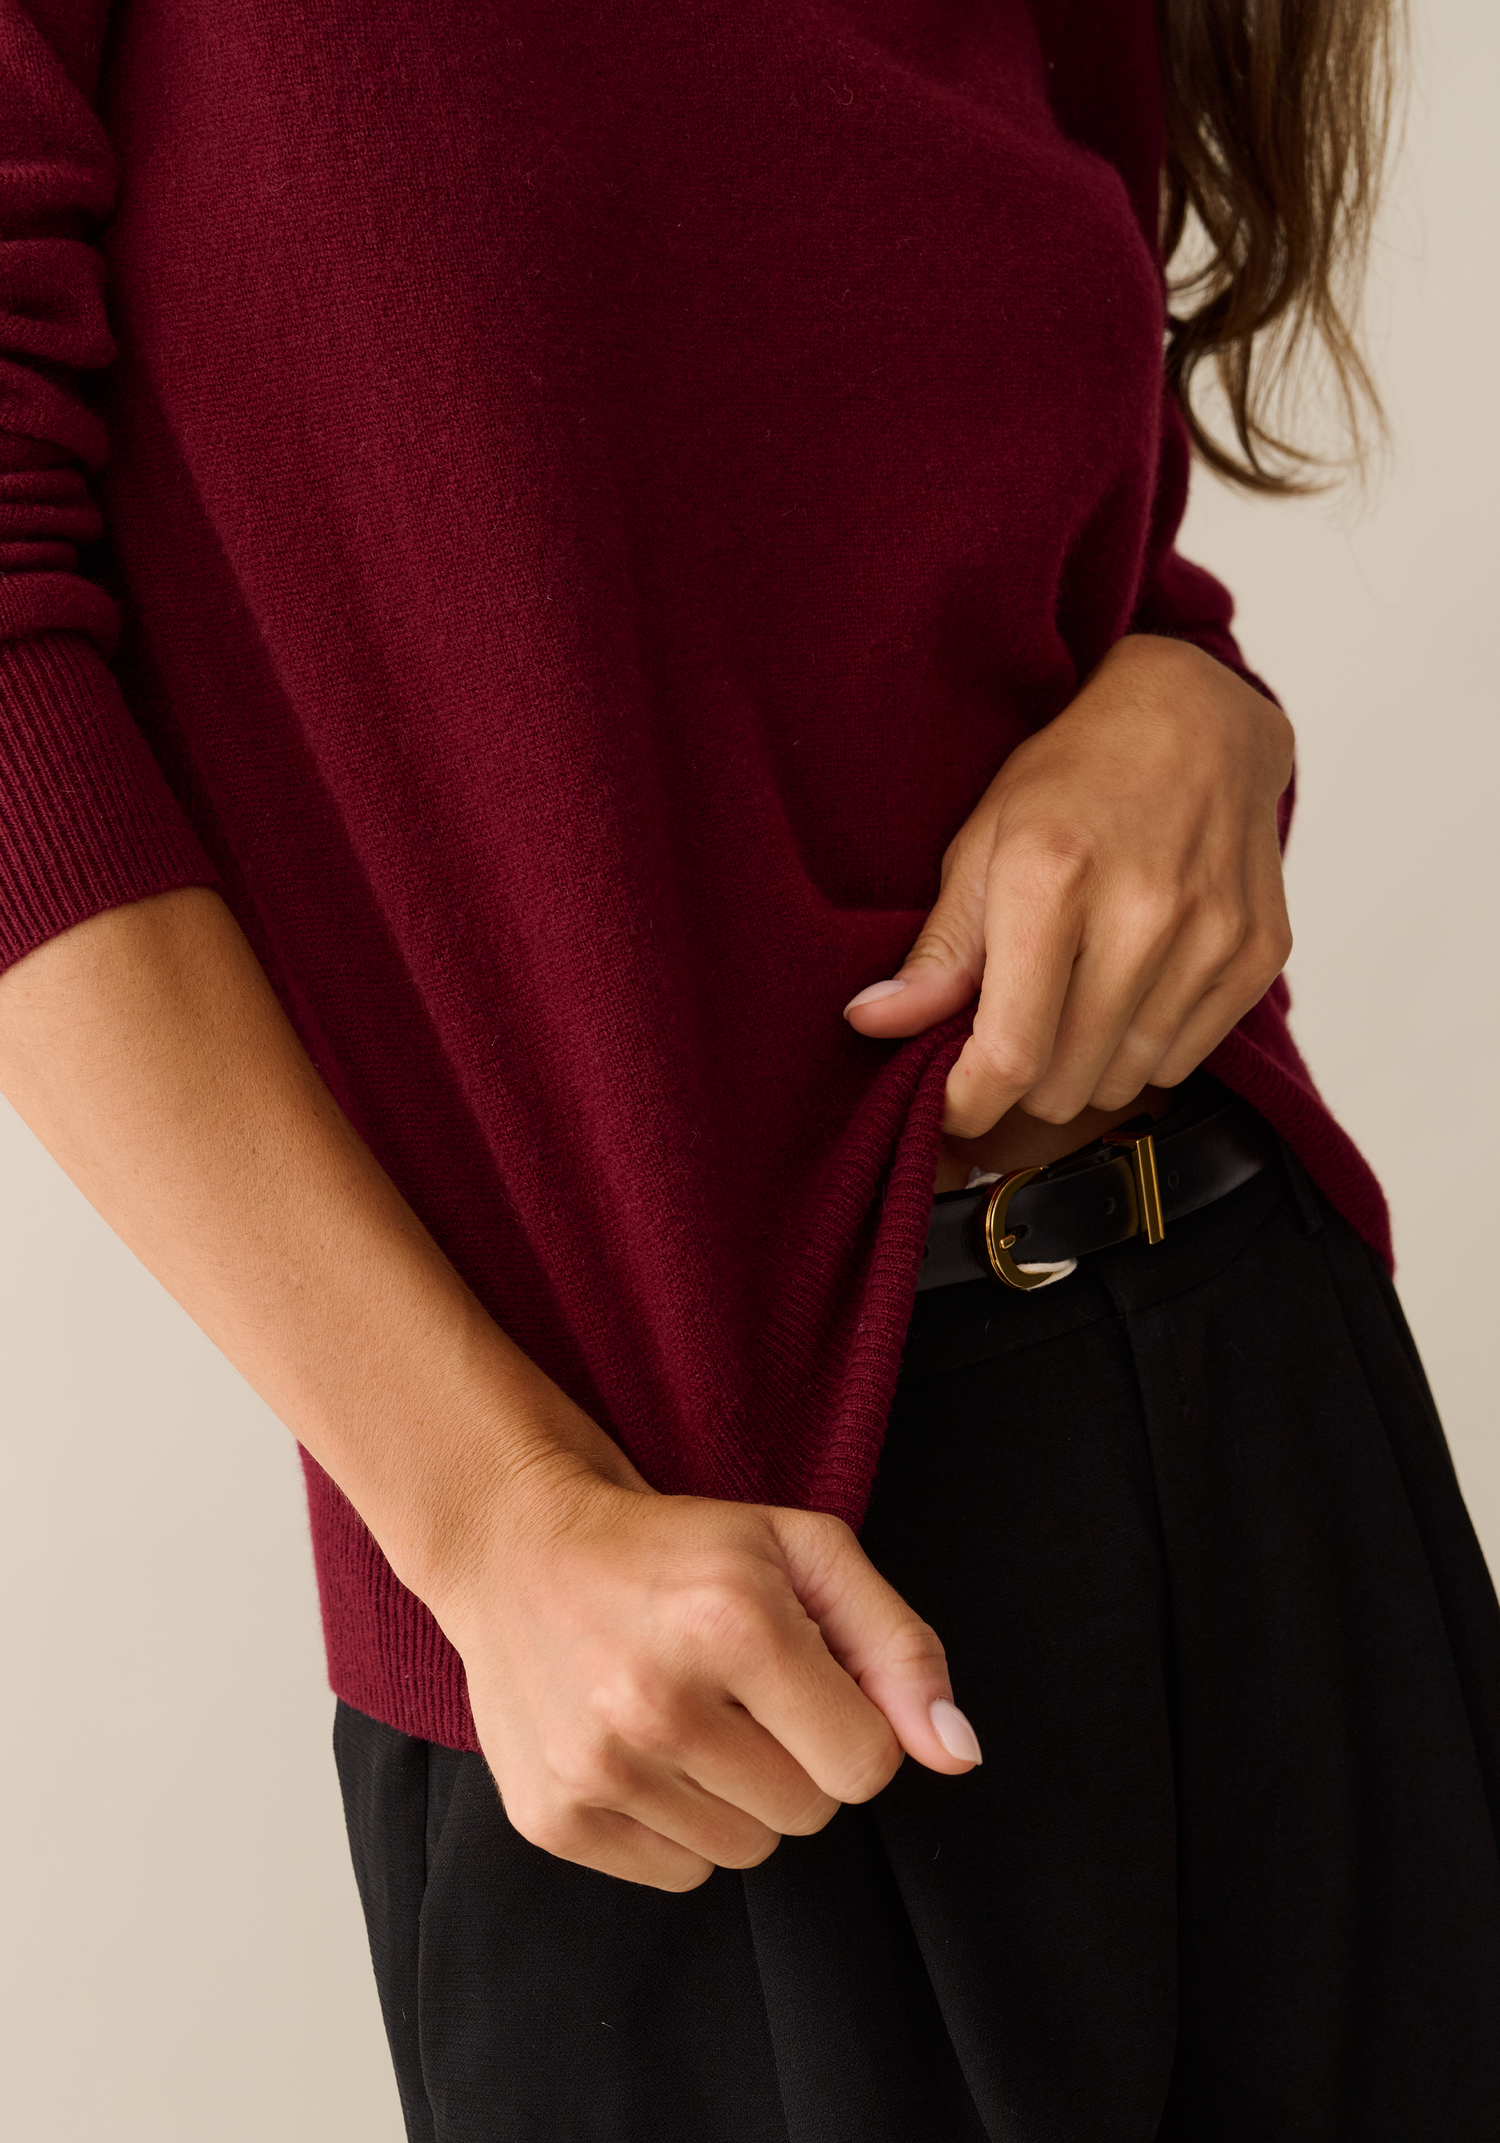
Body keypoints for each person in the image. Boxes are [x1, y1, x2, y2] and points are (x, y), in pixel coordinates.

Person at [2, 0, 1497, 2136]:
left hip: (1267, 1412)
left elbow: (1031, 502)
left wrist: (1192, 694)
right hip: (699, 1633)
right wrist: (496, 1520)